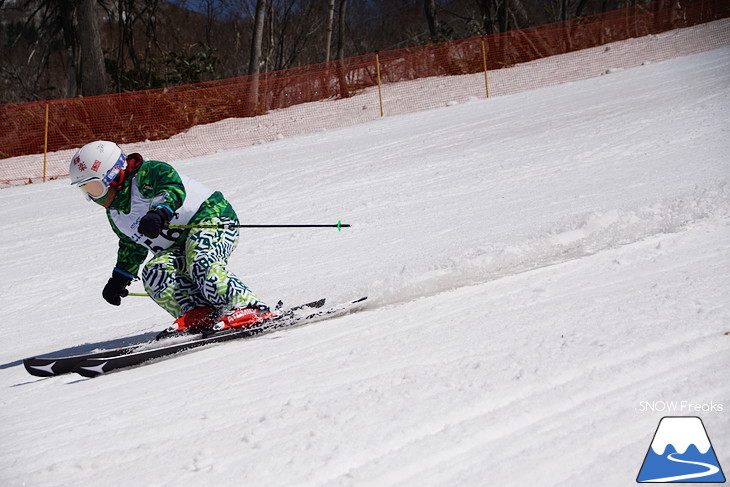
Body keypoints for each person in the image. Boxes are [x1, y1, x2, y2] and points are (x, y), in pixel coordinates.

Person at [69, 140, 274, 336]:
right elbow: (131, 244)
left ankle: (249, 307)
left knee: (200, 258)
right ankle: (200, 312)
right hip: (179, 245)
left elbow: (170, 187)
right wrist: (120, 277)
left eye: (94, 188)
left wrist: (159, 212)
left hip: (212, 218)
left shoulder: (148, 173)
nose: (93, 198)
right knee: (154, 271)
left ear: (114, 174)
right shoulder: (116, 214)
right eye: (85, 191)